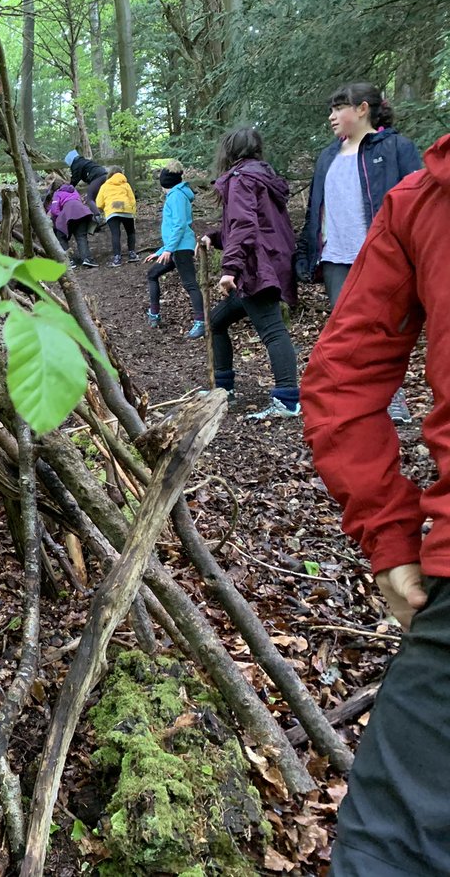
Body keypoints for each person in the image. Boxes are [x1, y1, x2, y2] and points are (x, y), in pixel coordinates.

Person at [302, 133, 449, 877]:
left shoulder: (417, 184)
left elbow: (340, 380)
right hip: (350, 260)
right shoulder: (416, 192)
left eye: (341, 106)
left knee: (391, 847)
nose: (332, 116)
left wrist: (390, 540)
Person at [295, 81, 424, 425]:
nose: (332, 117)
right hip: (336, 257)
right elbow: (315, 211)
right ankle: (357, 400)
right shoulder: (327, 156)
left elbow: (419, 203)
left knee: (383, 329)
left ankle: (392, 397)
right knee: (347, 332)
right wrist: (308, 255)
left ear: (363, 109)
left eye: (339, 108)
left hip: (382, 256)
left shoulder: (396, 147)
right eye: (331, 110)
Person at [199, 128, 300, 421]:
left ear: (229, 152)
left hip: (257, 268)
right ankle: (224, 388)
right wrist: (214, 237)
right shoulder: (261, 176)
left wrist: (230, 269)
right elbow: (250, 225)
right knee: (216, 321)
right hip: (267, 263)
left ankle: (288, 399)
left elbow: (245, 225)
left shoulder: (241, 179)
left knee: (272, 330)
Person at [145, 160, 204, 338]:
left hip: (181, 248)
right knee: (152, 274)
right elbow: (173, 230)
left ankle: (201, 322)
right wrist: (159, 251)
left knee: (190, 284)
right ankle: (154, 314)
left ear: (165, 183)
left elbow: (180, 225)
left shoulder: (177, 196)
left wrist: (168, 250)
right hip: (174, 247)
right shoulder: (175, 195)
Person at [48, 179, 98, 268]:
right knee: (81, 236)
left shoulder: (57, 193)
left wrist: (62, 217)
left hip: (68, 214)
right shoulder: (73, 190)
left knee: (61, 237)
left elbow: (54, 210)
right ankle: (87, 259)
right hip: (82, 213)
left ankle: (68, 261)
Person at [94, 166, 138, 266]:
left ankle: (117, 258)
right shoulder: (126, 184)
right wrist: (133, 212)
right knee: (130, 232)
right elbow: (132, 200)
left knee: (115, 234)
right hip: (126, 209)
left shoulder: (105, 186)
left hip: (112, 211)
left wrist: (104, 208)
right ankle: (132, 254)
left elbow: (99, 203)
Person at [63, 149, 110, 215]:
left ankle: (98, 216)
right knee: (100, 196)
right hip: (105, 175)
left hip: (97, 177)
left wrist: (68, 188)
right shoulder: (84, 161)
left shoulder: (76, 164)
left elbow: (75, 179)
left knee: (89, 199)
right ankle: (106, 213)